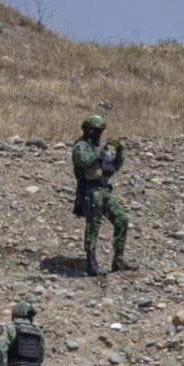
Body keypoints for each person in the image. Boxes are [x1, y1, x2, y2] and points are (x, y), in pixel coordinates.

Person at [72, 114, 135, 276]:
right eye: (96, 131)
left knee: (121, 219)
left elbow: (113, 167)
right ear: (88, 131)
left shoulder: (97, 148)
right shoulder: (81, 146)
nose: (99, 135)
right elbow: (85, 161)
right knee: (93, 225)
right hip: (90, 191)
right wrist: (101, 151)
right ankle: (91, 263)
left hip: (103, 189)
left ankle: (118, 260)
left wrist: (119, 151)